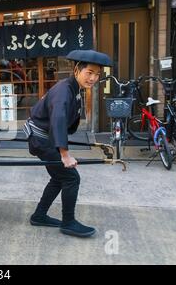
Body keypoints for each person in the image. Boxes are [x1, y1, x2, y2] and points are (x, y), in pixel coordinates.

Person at [25, 49, 113, 238]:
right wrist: (64, 154)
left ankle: (39, 216)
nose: (93, 78)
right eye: (89, 73)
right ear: (76, 71)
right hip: (42, 139)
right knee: (71, 178)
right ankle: (68, 222)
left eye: (97, 74)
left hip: (45, 137)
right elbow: (58, 119)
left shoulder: (74, 87)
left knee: (59, 177)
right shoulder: (64, 90)